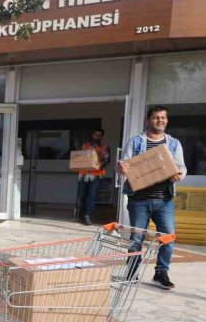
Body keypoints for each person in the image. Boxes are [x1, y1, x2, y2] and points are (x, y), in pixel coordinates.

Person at [117, 106, 187, 290]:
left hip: (164, 200)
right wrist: (121, 168)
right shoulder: (136, 142)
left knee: (168, 238)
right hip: (139, 200)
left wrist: (179, 174)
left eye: (163, 117)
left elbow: (181, 167)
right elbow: (124, 164)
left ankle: (161, 273)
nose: (160, 121)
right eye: (156, 117)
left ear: (167, 120)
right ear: (149, 120)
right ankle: (132, 272)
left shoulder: (173, 144)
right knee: (136, 239)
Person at [76, 128, 110, 225]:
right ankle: (82, 215)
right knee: (81, 196)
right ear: (92, 135)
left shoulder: (104, 147)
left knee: (92, 196)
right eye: (96, 134)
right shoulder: (84, 146)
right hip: (83, 174)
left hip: (97, 175)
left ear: (102, 136)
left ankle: (87, 216)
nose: (97, 137)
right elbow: (78, 158)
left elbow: (106, 161)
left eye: (99, 135)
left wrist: (96, 164)